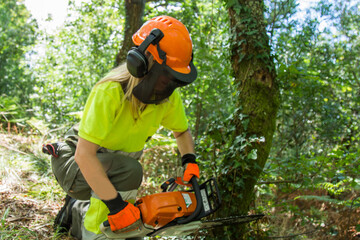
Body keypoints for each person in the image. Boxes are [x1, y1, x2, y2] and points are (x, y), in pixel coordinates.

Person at [45, 15, 200, 240]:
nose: (170, 86)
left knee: (125, 175)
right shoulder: (110, 92)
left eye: (175, 79)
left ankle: (77, 211)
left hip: (112, 167)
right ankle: (95, 234)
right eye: (166, 76)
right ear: (142, 63)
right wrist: (117, 207)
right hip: (74, 163)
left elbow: (182, 131)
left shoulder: (166, 99)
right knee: (129, 171)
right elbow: (85, 156)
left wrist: (189, 161)